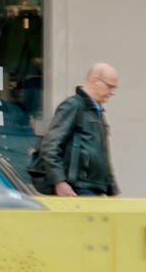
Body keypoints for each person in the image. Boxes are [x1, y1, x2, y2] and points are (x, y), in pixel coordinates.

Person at [30, 62, 120, 197]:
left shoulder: (97, 111)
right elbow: (51, 145)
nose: (112, 92)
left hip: (93, 188)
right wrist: (59, 182)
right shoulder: (73, 105)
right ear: (94, 81)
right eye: (110, 86)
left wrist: (112, 188)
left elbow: (102, 155)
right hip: (78, 188)